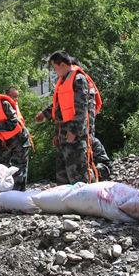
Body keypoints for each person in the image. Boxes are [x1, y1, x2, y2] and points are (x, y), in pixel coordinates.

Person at [35, 50, 102, 184]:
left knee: (78, 174)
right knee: (63, 175)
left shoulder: (78, 80)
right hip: (63, 134)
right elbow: (59, 106)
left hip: (76, 135)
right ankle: (66, 198)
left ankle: (87, 196)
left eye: (55, 68)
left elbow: (82, 109)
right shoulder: (63, 80)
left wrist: (74, 131)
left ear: (63, 65)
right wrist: (45, 115)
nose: (54, 71)